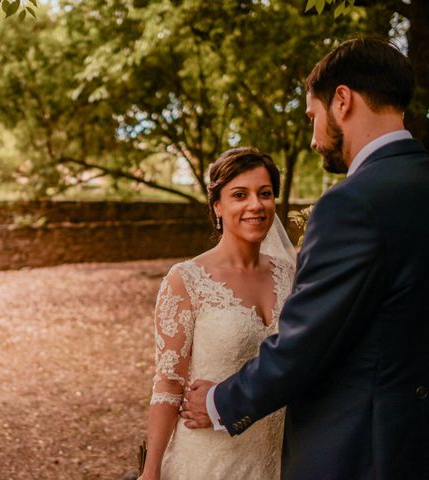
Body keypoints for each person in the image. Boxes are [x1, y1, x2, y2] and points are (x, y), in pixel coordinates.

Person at [181, 37, 429, 480]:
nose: (314, 139)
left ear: (342, 100)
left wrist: (221, 402)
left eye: (313, 117)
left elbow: (306, 342)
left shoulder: (351, 204)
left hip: (359, 451)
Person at [138, 147, 296, 479]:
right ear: (218, 206)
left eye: (264, 194)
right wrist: (150, 471)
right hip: (210, 460)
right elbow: (168, 385)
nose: (255, 204)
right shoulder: (187, 280)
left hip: (281, 458)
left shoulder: (293, 275)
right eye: (240, 194)